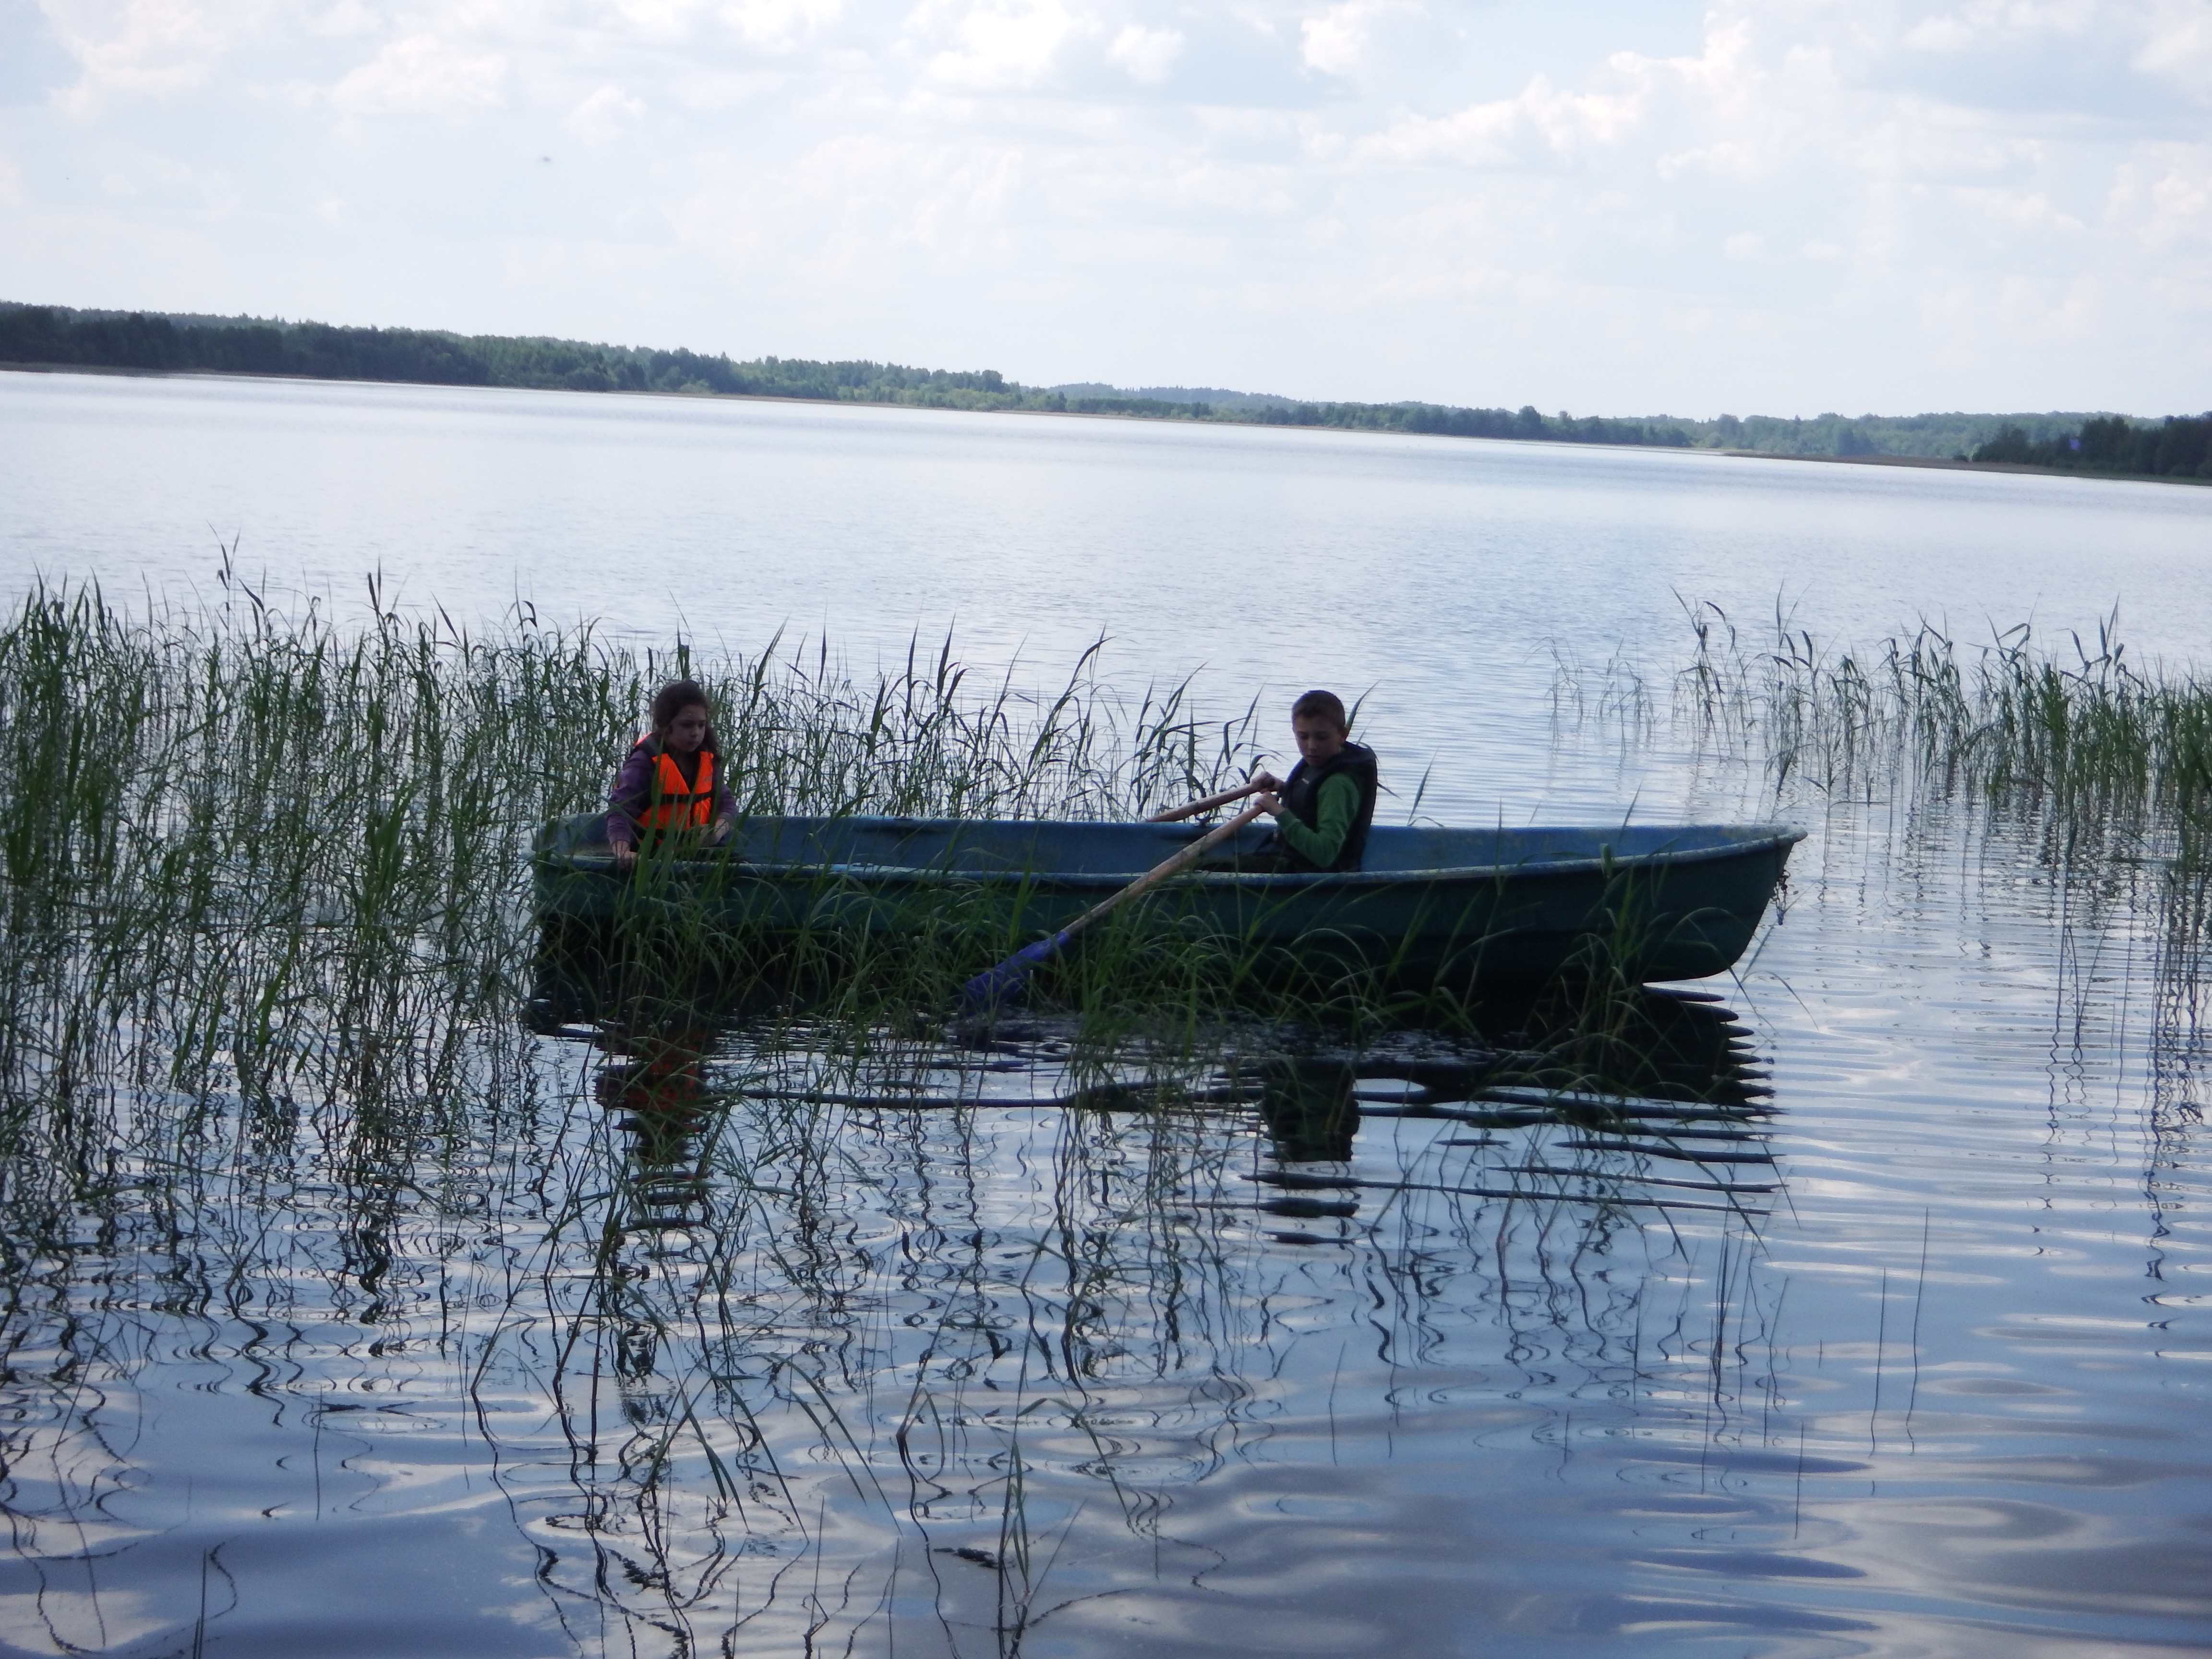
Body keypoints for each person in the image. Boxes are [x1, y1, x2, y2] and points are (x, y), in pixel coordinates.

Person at [606, 679, 738, 869]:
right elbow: (619, 812)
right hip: (651, 856)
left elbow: (727, 804)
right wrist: (623, 853)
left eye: (701, 725)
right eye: (687, 725)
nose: (696, 733)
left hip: (695, 854)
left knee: (740, 866)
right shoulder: (644, 764)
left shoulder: (706, 759)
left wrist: (716, 831)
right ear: (665, 725)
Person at [1249, 689, 1379, 872]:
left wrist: (1278, 811)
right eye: (1303, 737)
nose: (1312, 746)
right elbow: (1311, 803)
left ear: (1343, 735)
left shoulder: (1338, 784)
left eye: (1321, 737)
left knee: (1212, 867)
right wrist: (1282, 788)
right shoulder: (1322, 762)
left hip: (1311, 873)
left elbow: (1325, 854)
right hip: (1291, 861)